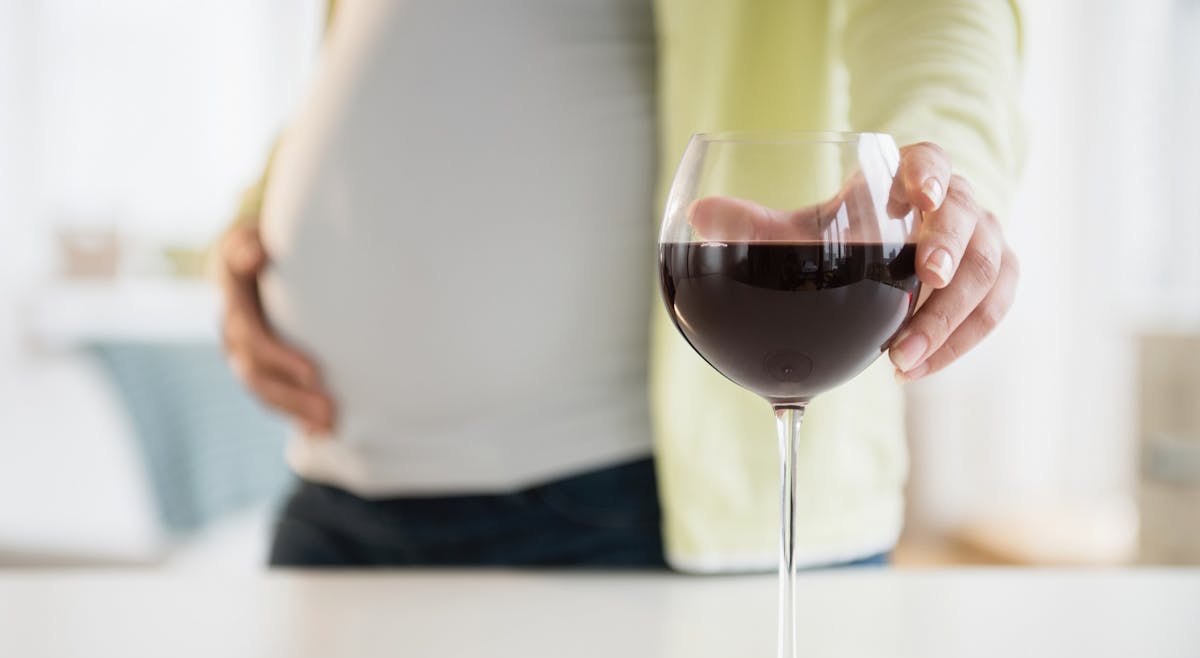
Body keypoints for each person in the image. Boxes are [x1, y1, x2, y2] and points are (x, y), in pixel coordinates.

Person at [216, 0, 1023, 569]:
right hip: (331, 493)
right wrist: (260, 233)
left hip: (622, 513)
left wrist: (938, 172)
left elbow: (938, 14)